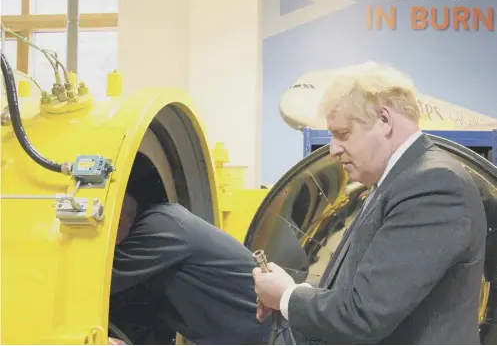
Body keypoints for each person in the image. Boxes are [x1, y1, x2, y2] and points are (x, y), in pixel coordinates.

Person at [252, 61, 487, 344]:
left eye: (342, 134)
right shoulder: (395, 183)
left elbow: (363, 315)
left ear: (385, 120)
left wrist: (287, 296)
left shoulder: (433, 186)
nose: (334, 149)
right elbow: (363, 289)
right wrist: (292, 292)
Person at [108, 193, 272, 345]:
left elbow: (103, 281)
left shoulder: (160, 228)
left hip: (263, 337)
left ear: (120, 220)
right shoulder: (164, 218)